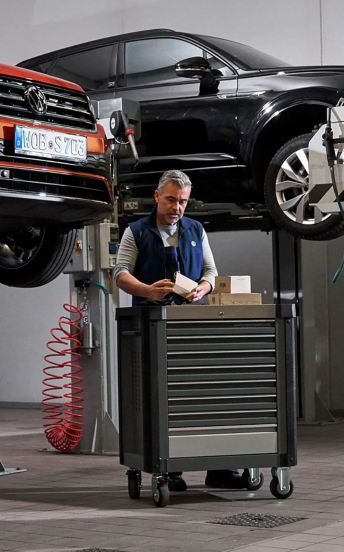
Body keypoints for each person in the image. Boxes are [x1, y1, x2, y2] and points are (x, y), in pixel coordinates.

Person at [114, 169, 245, 491]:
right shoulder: (136, 231)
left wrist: (203, 287)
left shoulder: (196, 230)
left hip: (190, 326)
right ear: (158, 196)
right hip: (150, 325)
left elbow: (210, 270)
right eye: (171, 199)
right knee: (161, 399)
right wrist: (147, 290)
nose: (177, 207)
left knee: (205, 397)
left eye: (183, 202)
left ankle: (219, 469)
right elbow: (119, 273)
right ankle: (168, 469)